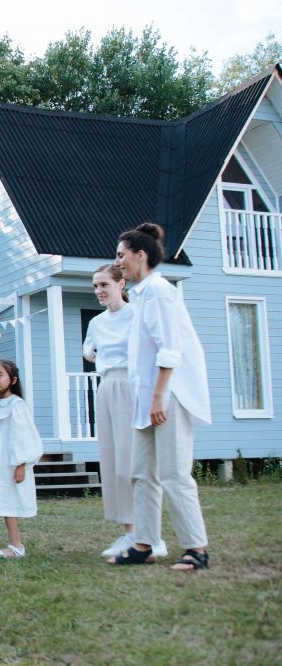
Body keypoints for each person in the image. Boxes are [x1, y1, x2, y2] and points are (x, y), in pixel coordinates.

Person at [108, 223, 211, 571]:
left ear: (141, 256)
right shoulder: (140, 295)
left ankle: (196, 550)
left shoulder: (159, 292)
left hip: (168, 397)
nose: (117, 261)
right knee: (142, 473)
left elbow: (170, 350)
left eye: (121, 255)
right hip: (147, 400)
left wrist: (157, 399)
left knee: (174, 474)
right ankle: (144, 544)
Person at [83, 265, 167, 560]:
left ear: (121, 284)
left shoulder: (137, 314)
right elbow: (88, 351)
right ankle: (130, 532)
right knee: (114, 463)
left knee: (137, 463)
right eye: (95, 286)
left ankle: (152, 536)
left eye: (104, 284)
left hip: (133, 386)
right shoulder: (96, 322)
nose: (99, 291)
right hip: (107, 386)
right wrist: (93, 353)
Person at [0, 360, 44, 559]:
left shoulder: (17, 405)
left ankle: (16, 545)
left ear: (12, 380)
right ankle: (14, 544)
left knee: (10, 502)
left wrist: (21, 464)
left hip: (13, 462)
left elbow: (24, 436)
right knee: (4, 501)